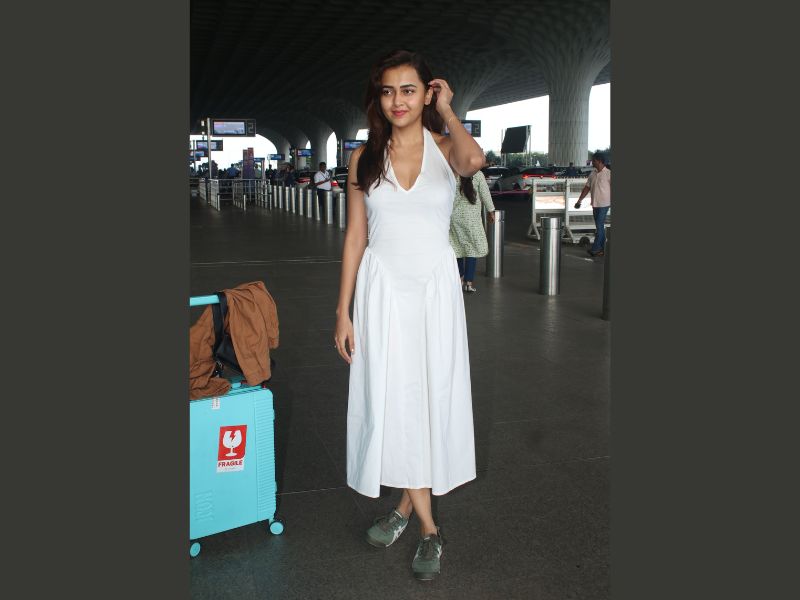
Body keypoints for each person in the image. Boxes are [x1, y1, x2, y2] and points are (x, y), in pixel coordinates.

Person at [334, 49, 484, 581]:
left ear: (427, 94)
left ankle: (404, 511)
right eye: (388, 91)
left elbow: (474, 162)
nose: (397, 100)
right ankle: (427, 527)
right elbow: (356, 236)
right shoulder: (363, 158)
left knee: (426, 397)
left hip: (434, 291)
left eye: (409, 90)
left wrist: (448, 112)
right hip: (382, 290)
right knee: (393, 397)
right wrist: (343, 311)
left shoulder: (446, 148)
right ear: (377, 99)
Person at [449, 170, 496, 293]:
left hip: (454, 217)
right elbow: (485, 194)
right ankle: (468, 283)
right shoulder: (478, 175)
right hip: (472, 219)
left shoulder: (454, 173)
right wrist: (491, 211)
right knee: (472, 248)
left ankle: (460, 278)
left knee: (456, 248)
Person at [574, 151, 611, 256]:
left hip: (604, 204)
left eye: (593, 160)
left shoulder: (608, 173)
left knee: (599, 226)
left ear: (599, 161)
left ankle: (596, 248)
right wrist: (579, 200)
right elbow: (587, 188)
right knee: (600, 227)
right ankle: (603, 249)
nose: (592, 162)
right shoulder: (592, 173)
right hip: (595, 204)